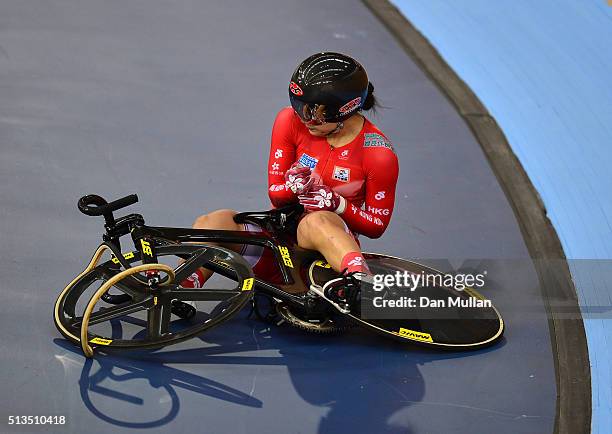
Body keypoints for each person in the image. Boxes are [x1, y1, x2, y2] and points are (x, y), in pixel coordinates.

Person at [183, 52, 399, 292]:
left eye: (313, 112)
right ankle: (180, 283)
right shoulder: (289, 120)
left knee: (317, 220)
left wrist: (336, 203)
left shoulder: (378, 153)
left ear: (343, 111)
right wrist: (295, 186)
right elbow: (276, 194)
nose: (304, 117)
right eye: (299, 106)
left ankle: (360, 282)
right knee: (215, 222)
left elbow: (377, 225)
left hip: (324, 259)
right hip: (277, 248)